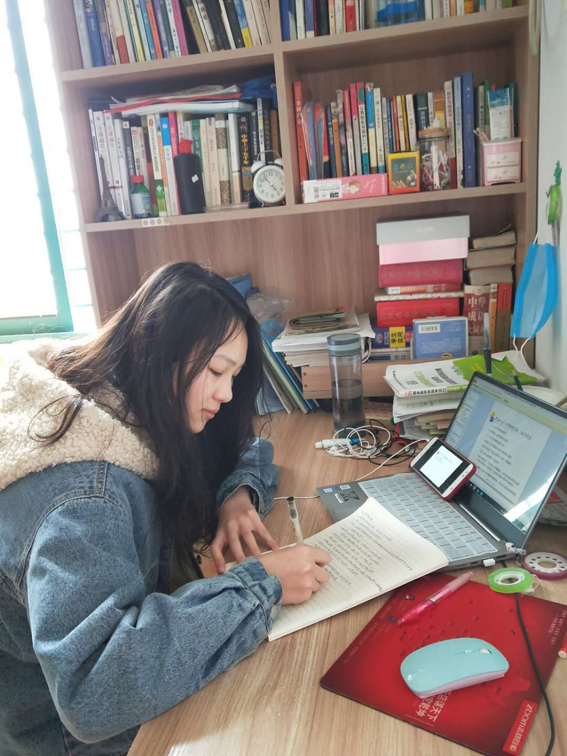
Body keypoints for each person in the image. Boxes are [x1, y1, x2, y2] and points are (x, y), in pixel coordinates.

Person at [0, 262, 331, 756]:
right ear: (157, 349)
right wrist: (261, 586)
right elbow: (95, 690)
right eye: (216, 371)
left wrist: (235, 498)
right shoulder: (84, 498)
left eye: (234, 376)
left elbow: (243, 447)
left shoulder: (125, 399)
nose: (225, 393)